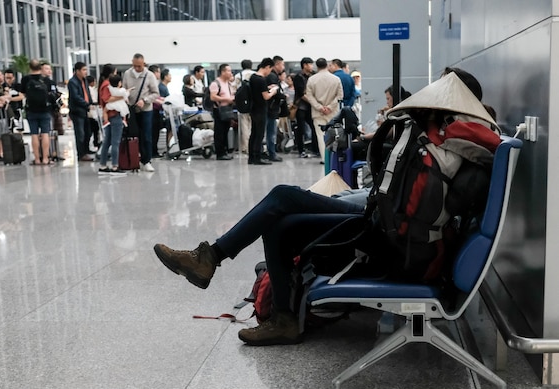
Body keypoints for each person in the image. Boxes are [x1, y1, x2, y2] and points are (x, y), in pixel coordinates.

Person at [154, 67, 493, 347]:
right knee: (279, 220)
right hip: (385, 225)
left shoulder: (452, 144)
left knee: (283, 196)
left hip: (386, 238)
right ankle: (276, 313)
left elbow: (418, 205)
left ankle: (211, 259)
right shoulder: (448, 140)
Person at [122, 53, 160, 172]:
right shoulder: (127, 74)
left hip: (146, 110)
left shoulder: (149, 75)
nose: (137, 68)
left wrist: (145, 100)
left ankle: (146, 160)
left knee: (147, 136)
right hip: (131, 110)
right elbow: (124, 89)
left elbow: (155, 93)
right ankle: (134, 159)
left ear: (144, 63)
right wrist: (125, 96)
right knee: (133, 135)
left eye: (139, 66)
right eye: (135, 66)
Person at [305, 58, 343, 163]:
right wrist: (330, 107)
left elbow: (309, 96)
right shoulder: (336, 79)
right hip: (333, 112)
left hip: (318, 113)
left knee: (320, 136)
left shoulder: (312, 80)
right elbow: (340, 96)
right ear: (327, 65)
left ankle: (324, 159)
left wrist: (319, 107)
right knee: (335, 135)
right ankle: (334, 158)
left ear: (317, 66)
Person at [246, 58, 279, 165]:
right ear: (267, 67)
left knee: (254, 133)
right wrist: (273, 91)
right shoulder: (261, 79)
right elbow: (265, 96)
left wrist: (267, 87)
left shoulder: (253, 77)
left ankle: (251, 157)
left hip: (253, 108)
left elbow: (258, 90)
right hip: (261, 109)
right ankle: (257, 157)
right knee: (259, 134)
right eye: (270, 69)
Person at [21, 59, 53, 165]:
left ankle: (37, 159)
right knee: (45, 134)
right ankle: (45, 158)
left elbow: (22, 95)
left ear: (29, 67)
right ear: (40, 68)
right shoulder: (46, 80)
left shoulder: (25, 79)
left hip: (31, 110)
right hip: (45, 110)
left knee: (34, 134)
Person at [98, 67, 127, 176]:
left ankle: (103, 164)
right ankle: (115, 166)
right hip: (115, 116)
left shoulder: (106, 85)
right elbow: (107, 99)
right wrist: (123, 96)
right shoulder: (108, 86)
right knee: (115, 142)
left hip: (109, 116)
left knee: (107, 141)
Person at [67, 62, 94, 162]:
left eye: (86, 70)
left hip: (85, 109)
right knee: (80, 133)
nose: (85, 72)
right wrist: (86, 104)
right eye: (83, 70)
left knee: (88, 131)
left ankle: (86, 150)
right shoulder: (72, 82)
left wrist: (91, 102)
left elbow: (87, 92)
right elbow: (75, 97)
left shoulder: (84, 80)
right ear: (77, 71)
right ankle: (81, 154)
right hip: (77, 110)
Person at [208, 63, 235, 160]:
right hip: (219, 110)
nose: (230, 73)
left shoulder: (228, 83)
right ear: (222, 72)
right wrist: (226, 99)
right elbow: (213, 97)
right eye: (228, 71)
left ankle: (225, 151)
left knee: (225, 131)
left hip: (228, 109)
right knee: (219, 131)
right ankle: (220, 153)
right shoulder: (216, 83)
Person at [293, 57, 316, 159]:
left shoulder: (314, 75)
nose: (312, 66)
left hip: (311, 107)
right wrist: (313, 102)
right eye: (310, 64)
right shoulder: (298, 77)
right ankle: (301, 150)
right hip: (301, 107)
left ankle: (315, 149)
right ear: (305, 65)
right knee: (300, 129)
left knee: (315, 127)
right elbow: (301, 93)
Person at [264, 55, 285, 162]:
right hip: (271, 108)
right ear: (276, 64)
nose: (283, 67)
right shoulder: (272, 76)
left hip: (270, 108)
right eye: (282, 64)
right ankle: (271, 153)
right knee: (271, 132)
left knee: (270, 131)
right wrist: (283, 96)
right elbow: (275, 92)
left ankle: (270, 152)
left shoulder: (273, 76)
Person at [233, 59, 256, 155]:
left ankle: (246, 147)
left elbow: (235, 89)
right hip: (254, 102)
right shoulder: (255, 75)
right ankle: (254, 146)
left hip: (243, 103)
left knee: (244, 126)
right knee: (254, 126)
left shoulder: (239, 76)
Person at [86, 75, 101, 149]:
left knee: (94, 129)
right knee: (94, 128)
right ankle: (96, 142)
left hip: (92, 112)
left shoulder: (90, 89)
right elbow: (94, 99)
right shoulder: (90, 89)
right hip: (91, 113)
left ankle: (95, 142)